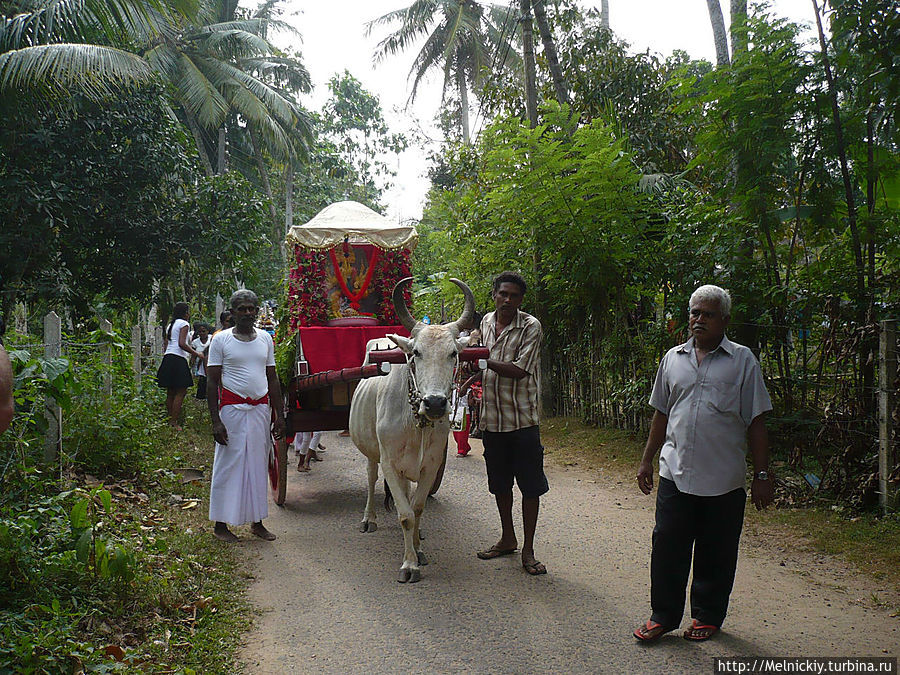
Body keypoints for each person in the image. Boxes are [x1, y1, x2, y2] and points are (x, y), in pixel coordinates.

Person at [633, 284, 774, 643]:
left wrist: (761, 474)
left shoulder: (742, 361)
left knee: (717, 550)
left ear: (724, 320)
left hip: (723, 478)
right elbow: (661, 413)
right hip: (675, 472)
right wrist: (646, 461)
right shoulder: (673, 358)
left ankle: (707, 615)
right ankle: (662, 616)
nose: (698, 320)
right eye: (695, 312)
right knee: (667, 545)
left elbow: (757, 421)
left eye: (708, 314)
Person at [471, 271, 548, 576]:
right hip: (492, 422)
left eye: (513, 296)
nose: (507, 300)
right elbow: (484, 364)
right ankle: (508, 538)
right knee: (500, 485)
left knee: (530, 488)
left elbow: (519, 370)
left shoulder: (531, 327)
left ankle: (528, 550)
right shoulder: (486, 322)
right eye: (502, 294)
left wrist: (480, 360)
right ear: (494, 295)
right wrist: (473, 375)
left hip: (522, 422)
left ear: (521, 300)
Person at [206, 290, 285, 542]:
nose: (247, 313)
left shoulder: (265, 339)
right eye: (242, 308)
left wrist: (279, 415)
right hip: (232, 411)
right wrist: (215, 421)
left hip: (261, 411)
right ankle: (220, 525)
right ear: (232, 312)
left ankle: (257, 522)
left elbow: (272, 378)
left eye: (251, 308)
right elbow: (211, 381)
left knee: (257, 463)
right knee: (229, 464)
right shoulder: (221, 340)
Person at [156, 302, 205, 430]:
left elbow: (167, 343)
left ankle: (169, 419)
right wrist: (197, 354)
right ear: (185, 313)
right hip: (178, 358)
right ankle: (174, 421)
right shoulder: (184, 324)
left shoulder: (170, 325)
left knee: (170, 391)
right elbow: (182, 343)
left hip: (168, 357)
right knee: (181, 391)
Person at [190, 322, 211, 400]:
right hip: (200, 366)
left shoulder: (212, 339)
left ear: (208, 331)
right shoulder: (195, 342)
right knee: (202, 383)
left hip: (210, 364)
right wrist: (192, 367)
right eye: (200, 332)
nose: (202, 333)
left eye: (204, 331)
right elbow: (193, 356)